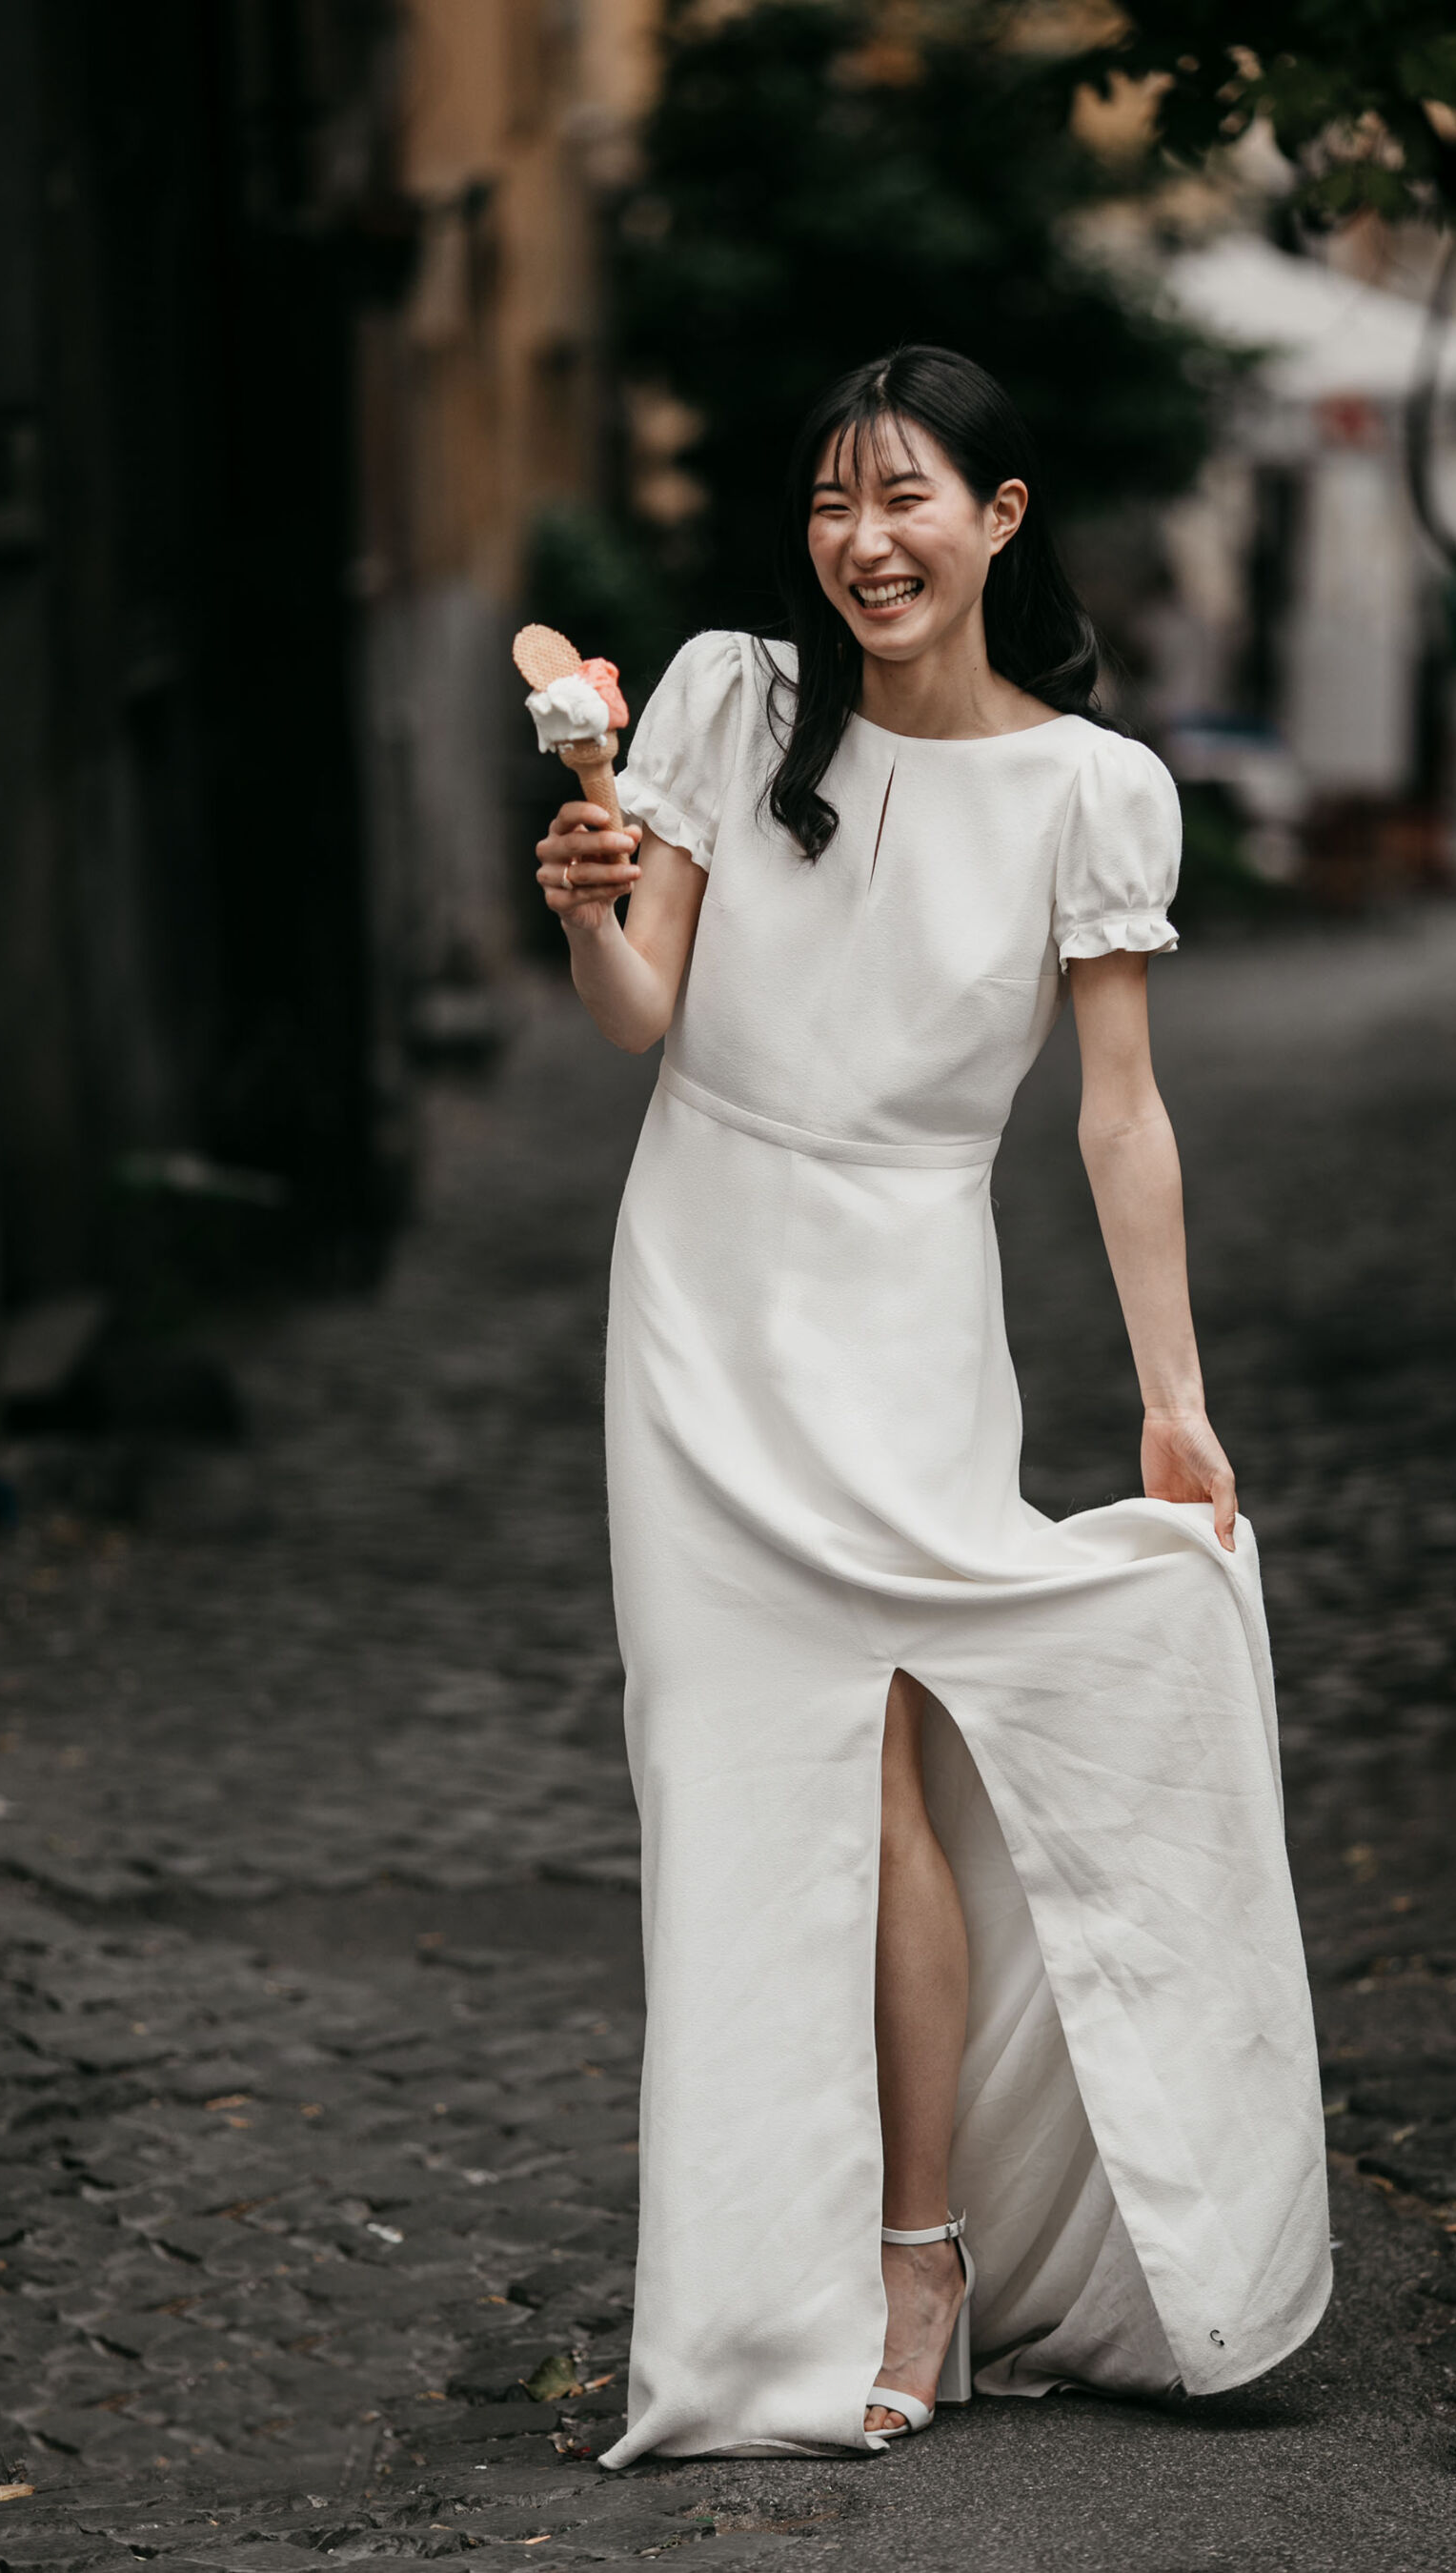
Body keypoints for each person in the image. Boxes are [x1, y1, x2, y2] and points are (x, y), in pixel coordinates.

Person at [534, 347, 1329, 2464]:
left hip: (901, 1301)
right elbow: (640, 1020)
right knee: (728, 1774)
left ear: (999, 517)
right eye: (826, 501)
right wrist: (598, 896)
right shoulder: (724, 697)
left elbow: (1123, 1123)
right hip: (699, 1286)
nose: (860, 539)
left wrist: (1174, 1401)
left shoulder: (1092, 789)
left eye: (905, 498)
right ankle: (752, 2291)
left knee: (886, 1785)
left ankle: (921, 2253)